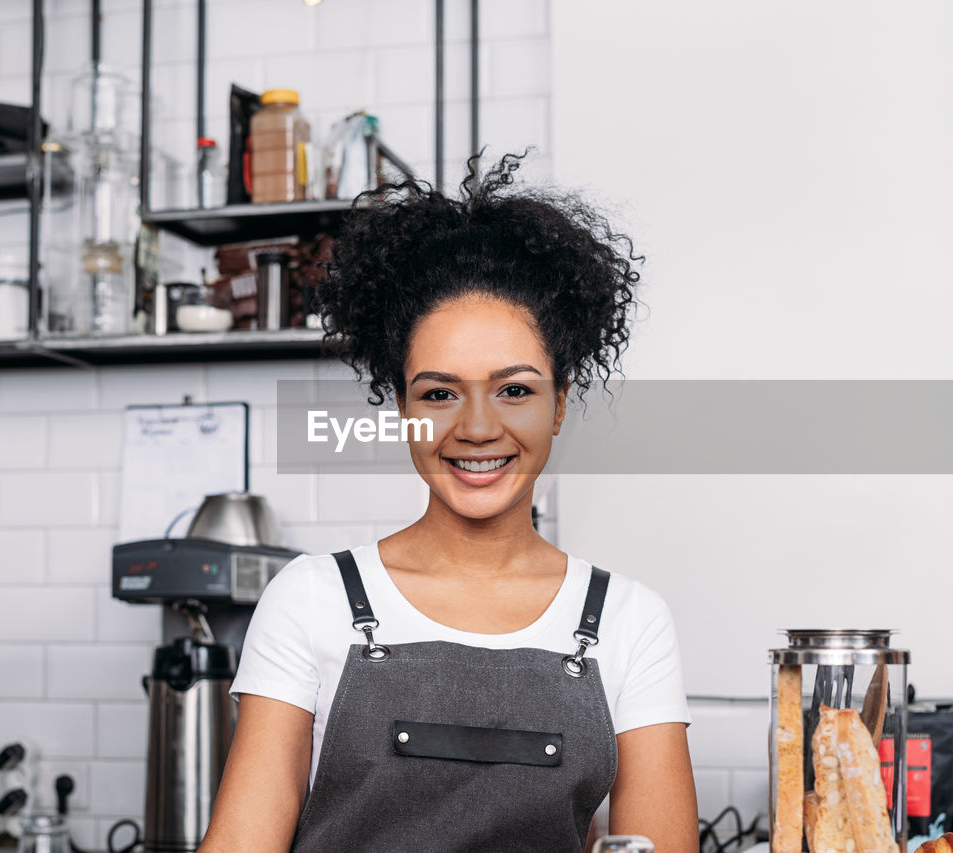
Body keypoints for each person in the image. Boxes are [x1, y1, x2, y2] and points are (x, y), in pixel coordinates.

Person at [199, 154, 699, 853]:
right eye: (438, 393)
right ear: (400, 406)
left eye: (516, 390)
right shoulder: (313, 599)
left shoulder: (626, 621)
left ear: (560, 404)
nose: (476, 427)